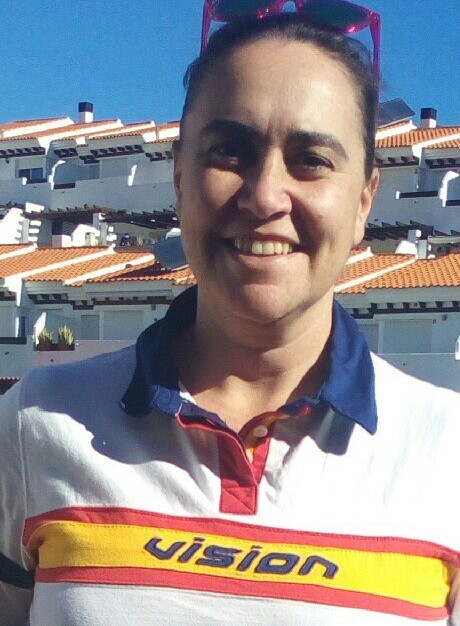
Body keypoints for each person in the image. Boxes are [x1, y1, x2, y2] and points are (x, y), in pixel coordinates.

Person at [1, 9, 460, 626]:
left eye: (311, 159)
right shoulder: (34, 425)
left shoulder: (446, 452)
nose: (265, 195)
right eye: (229, 152)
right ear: (180, 178)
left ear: (362, 202)